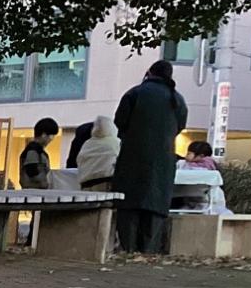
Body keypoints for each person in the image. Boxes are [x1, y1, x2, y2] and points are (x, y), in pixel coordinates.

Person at [110, 60, 187, 254]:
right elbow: (179, 126)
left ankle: (128, 250)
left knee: (129, 207)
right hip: (163, 162)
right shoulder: (176, 99)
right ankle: (148, 252)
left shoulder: (134, 93)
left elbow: (120, 121)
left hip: (132, 159)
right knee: (154, 208)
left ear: (149, 72)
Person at [74, 114, 119, 186]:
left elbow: (79, 160)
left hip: (85, 184)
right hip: (106, 182)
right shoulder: (116, 142)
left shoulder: (87, 144)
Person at [18, 118, 59, 188]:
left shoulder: (35, 150)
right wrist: (47, 183)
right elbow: (32, 173)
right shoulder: (33, 151)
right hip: (34, 193)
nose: (52, 139)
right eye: (51, 135)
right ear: (43, 134)